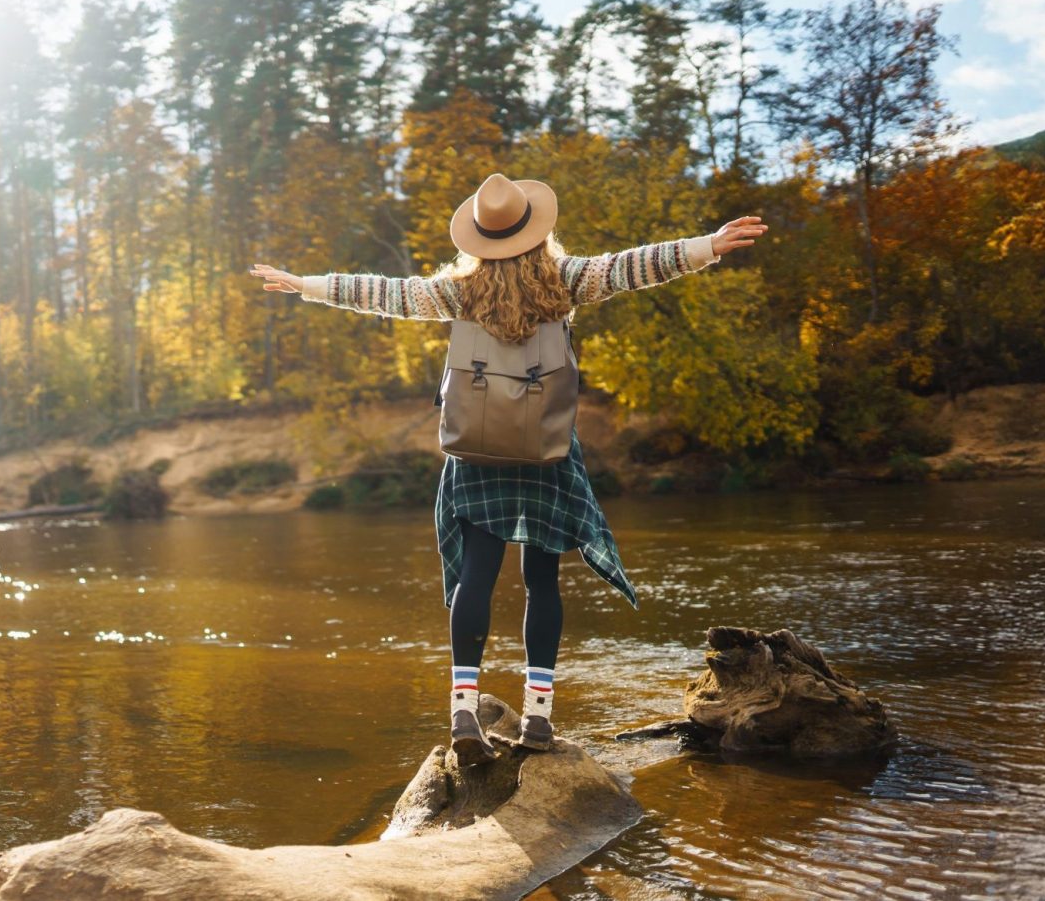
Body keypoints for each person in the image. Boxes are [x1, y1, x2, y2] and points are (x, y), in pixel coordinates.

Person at [250, 172, 767, 761]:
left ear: (479, 238)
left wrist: (308, 285)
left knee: (476, 577)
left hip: (476, 449)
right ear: (536, 230)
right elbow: (637, 265)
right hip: (545, 450)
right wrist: (708, 245)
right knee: (541, 581)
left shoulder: (457, 293)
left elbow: (384, 293)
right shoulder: (566, 280)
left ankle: (464, 711)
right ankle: (539, 719)